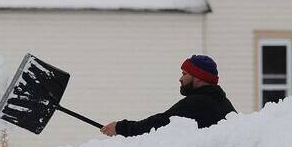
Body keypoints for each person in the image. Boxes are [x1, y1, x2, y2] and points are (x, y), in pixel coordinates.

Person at [101, 55, 236, 137]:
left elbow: (156, 124)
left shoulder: (196, 103)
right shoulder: (224, 103)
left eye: (184, 74)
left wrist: (119, 128)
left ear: (199, 77)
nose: (180, 79)